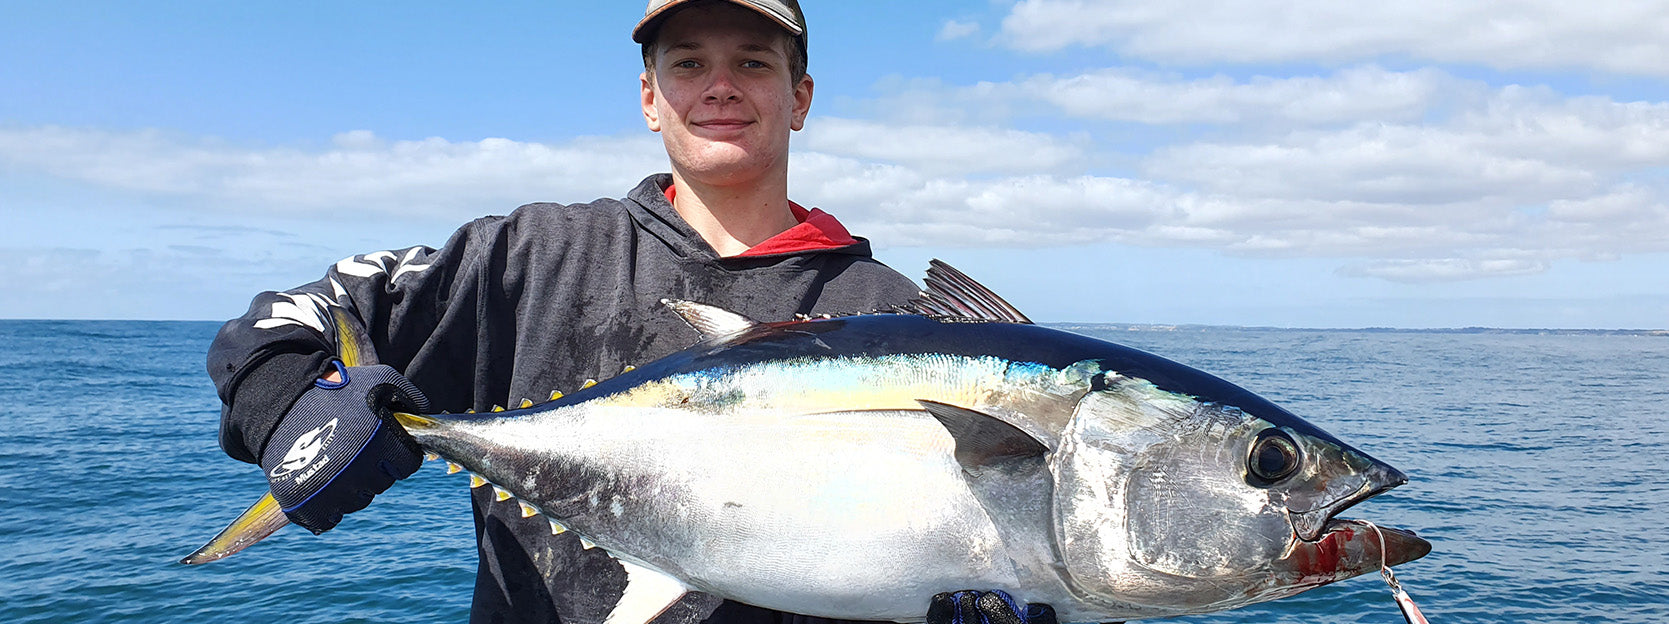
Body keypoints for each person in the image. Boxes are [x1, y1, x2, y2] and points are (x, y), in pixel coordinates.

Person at [207, 2, 1051, 624]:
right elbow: (293, 316)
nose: (720, 87)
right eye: (688, 64)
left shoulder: (894, 313)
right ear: (649, 98)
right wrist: (289, 402)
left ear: (799, 97)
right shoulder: (528, 257)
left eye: (754, 63)